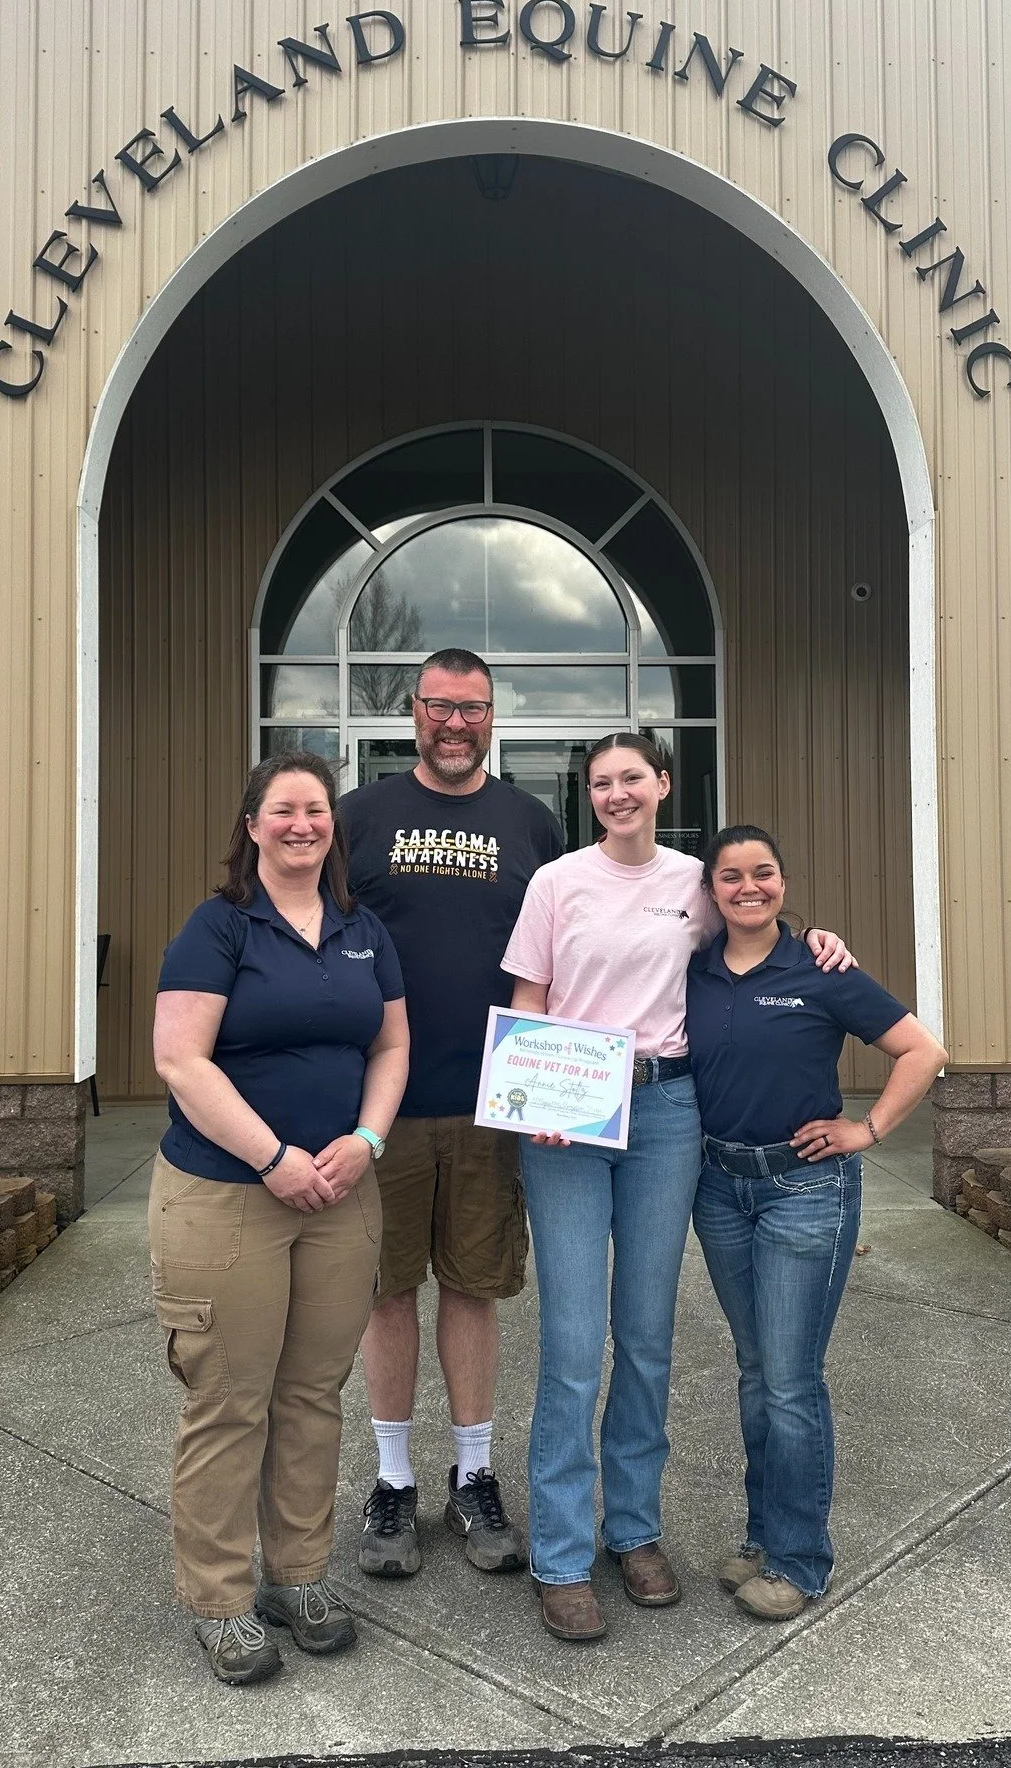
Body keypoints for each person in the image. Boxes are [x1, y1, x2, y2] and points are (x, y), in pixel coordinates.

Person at [500, 734, 853, 1642]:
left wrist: (819, 939)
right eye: (601, 782)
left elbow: (758, 928)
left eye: (633, 778)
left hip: (666, 1112)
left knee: (647, 1336)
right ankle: (562, 1556)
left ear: (661, 784)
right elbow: (530, 996)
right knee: (573, 1342)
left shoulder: (696, 882)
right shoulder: (558, 883)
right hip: (572, 1117)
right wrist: (534, 1085)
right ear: (589, 795)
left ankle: (634, 1529)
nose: (618, 793)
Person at [150, 752, 410, 1685]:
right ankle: (219, 1600)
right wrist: (272, 1157)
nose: (304, 824)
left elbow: (392, 1045)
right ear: (253, 825)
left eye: (317, 810)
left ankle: (296, 1577)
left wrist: (368, 1140)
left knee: (310, 1394)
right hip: (228, 1195)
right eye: (285, 810)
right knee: (230, 1397)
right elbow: (181, 1059)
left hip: (340, 1196)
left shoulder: (361, 929)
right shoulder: (219, 927)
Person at [339, 648, 564, 1579]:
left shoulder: (532, 822)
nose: (456, 724)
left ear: (492, 714)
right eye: (440, 706)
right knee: (385, 1291)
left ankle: (473, 1475)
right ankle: (392, 1481)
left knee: (473, 1287)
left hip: (493, 1105)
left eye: (472, 708)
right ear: (414, 712)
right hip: (380, 1106)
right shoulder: (359, 817)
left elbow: (571, 947)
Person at [687, 824, 946, 1624]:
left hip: (804, 1191)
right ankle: (764, 1537)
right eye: (731, 876)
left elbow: (922, 1052)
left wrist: (867, 1129)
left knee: (791, 1380)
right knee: (756, 1369)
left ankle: (799, 1561)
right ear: (712, 892)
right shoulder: (694, 969)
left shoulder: (820, 968)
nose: (748, 887)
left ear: (784, 882)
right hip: (720, 1189)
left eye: (762, 873)